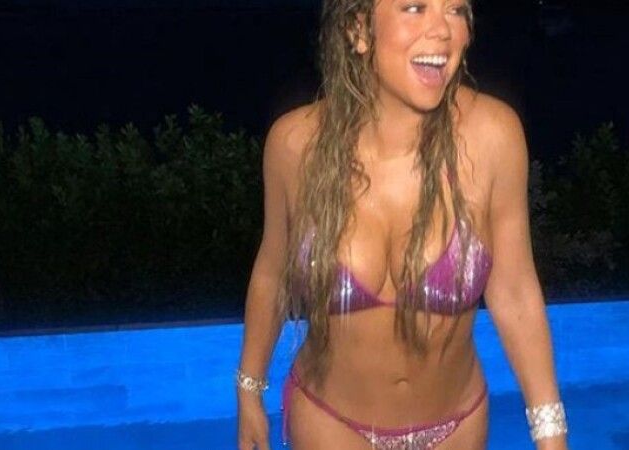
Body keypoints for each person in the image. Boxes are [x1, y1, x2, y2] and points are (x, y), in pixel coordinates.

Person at [237, 0, 568, 448]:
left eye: (456, 11)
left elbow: (515, 291)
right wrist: (249, 390)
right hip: (331, 424)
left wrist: (550, 431)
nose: (443, 30)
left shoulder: (493, 137)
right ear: (359, 29)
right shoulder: (295, 145)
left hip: (456, 429)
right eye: (415, 7)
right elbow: (272, 274)